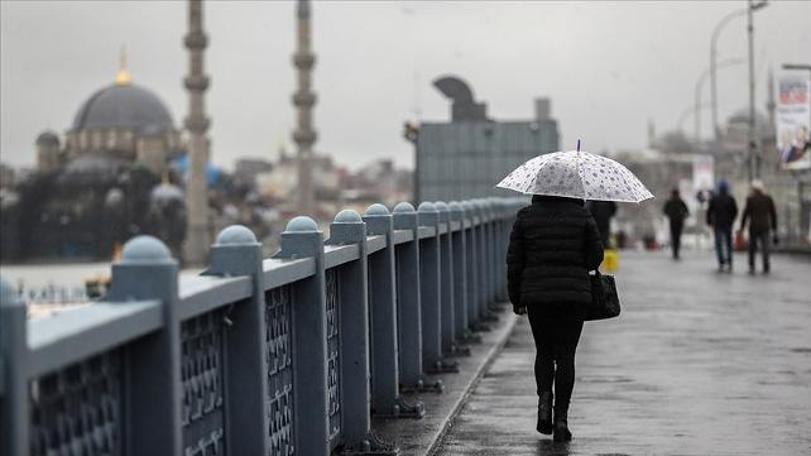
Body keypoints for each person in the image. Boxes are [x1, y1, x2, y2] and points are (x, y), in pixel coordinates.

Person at [506, 195, 604, 442]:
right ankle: (561, 419)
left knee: (544, 352)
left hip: (538, 296)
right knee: (566, 355)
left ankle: (543, 401)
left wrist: (516, 298)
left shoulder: (525, 217)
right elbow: (596, 257)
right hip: (574, 296)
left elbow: (514, 261)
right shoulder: (582, 216)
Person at [739, 180, 777, 274]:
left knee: (752, 247)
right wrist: (774, 227)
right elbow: (773, 214)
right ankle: (766, 265)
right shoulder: (768, 198)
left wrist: (742, 227)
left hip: (754, 226)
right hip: (765, 226)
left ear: (754, 189)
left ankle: (752, 265)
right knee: (765, 247)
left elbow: (746, 214)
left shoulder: (750, 199)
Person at [706, 180, 738, 272]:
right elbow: (735, 211)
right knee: (728, 244)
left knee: (719, 244)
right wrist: (731, 220)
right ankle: (730, 261)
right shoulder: (730, 198)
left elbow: (709, 211)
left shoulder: (714, 198)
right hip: (727, 224)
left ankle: (721, 262)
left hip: (718, 224)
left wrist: (709, 222)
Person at [663, 188, 689, 260]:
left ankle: (675, 252)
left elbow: (665, 211)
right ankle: (676, 252)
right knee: (677, 238)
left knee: (674, 237)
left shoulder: (670, 202)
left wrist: (670, 215)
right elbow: (687, 211)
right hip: (679, 222)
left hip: (673, 222)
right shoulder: (680, 202)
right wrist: (682, 215)